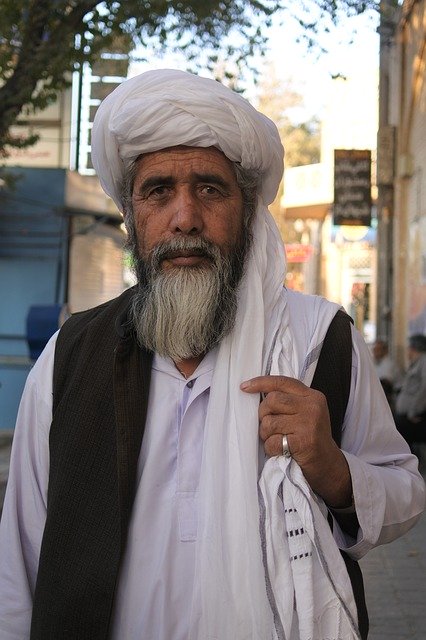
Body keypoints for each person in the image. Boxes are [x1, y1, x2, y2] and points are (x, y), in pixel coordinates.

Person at [0, 69, 424, 640]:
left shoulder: (321, 340)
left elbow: (403, 493)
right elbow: (18, 564)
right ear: (131, 215)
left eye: (209, 188)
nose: (185, 218)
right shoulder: (70, 357)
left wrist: (332, 467)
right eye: (158, 192)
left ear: (246, 211)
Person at [395, 334, 426, 450]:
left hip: (412, 417)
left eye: (409, 348)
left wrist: (413, 411)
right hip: (406, 416)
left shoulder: (424, 361)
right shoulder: (416, 362)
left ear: (413, 348)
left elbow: (424, 389)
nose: (407, 351)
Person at [371, 338, 401, 407]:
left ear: (385, 351)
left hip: (389, 398)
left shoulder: (390, 364)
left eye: (378, 350)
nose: (375, 352)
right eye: (374, 349)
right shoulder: (374, 362)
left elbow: (386, 384)